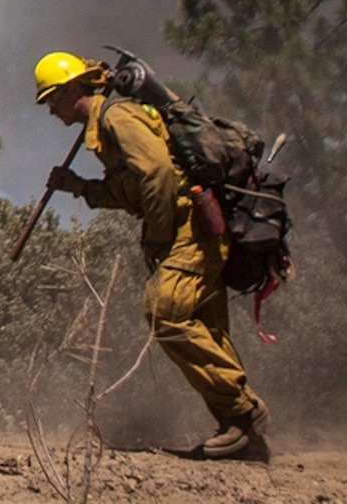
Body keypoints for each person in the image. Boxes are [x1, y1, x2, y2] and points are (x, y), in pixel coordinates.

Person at [34, 51, 268, 461]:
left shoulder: (116, 119)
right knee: (207, 330)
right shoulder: (103, 131)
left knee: (167, 313)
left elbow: (159, 176)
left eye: (52, 98)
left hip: (188, 228)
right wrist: (80, 187)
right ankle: (243, 434)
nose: (50, 109)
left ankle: (241, 408)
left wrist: (160, 238)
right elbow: (130, 190)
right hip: (192, 228)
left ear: (75, 88)